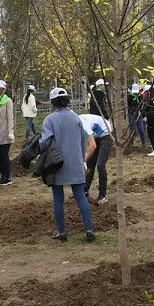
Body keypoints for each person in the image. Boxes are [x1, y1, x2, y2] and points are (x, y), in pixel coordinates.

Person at [40, 87, 95, 242]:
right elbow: (82, 142)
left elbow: (45, 143)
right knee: (80, 196)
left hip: (57, 164)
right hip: (76, 163)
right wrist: (82, 160)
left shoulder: (49, 120)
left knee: (58, 198)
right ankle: (89, 229)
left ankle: (61, 231)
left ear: (52, 102)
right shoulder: (76, 118)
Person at [79, 111, 114, 204]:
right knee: (90, 163)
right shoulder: (74, 124)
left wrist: (83, 160)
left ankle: (103, 195)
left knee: (100, 165)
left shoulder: (82, 125)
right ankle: (84, 192)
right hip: (96, 135)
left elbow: (92, 146)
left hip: (107, 134)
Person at [127, 83, 148, 150]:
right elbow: (127, 106)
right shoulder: (129, 96)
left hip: (139, 114)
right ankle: (131, 144)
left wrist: (144, 115)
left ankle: (143, 143)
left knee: (141, 129)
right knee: (133, 130)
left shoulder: (141, 96)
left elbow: (143, 106)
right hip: (132, 114)